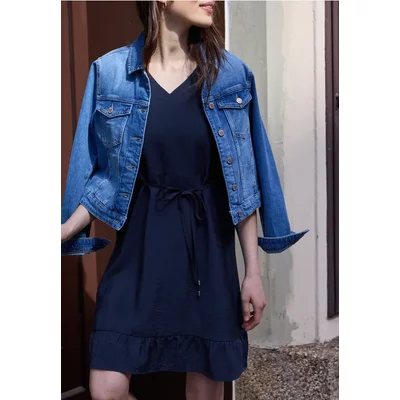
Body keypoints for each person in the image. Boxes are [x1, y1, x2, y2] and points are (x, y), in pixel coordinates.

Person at [61, 1, 308, 399]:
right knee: (106, 387)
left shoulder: (231, 75)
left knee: (205, 386)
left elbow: (242, 184)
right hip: (139, 251)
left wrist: (252, 273)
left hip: (208, 253)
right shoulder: (110, 74)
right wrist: (63, 231)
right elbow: (104, 179)